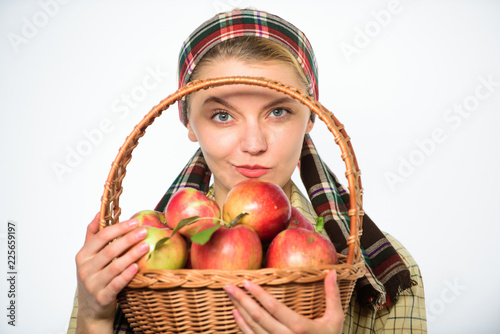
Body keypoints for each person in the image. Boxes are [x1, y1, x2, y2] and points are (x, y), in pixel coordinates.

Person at [69, 8, 427, 334]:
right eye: (222, 115)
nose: (253, 143)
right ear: (190, 123)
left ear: (311, 116)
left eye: (279, 112)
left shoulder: (377, 265)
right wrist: (93, 318)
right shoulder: (124, 260)